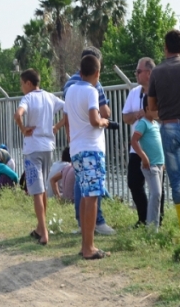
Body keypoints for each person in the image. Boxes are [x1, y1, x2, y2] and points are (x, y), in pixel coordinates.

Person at [147, 29, 180, 238]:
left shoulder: (157, 72)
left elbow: (152, 107)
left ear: (165, 47)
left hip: (169, 127)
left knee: (178, 182)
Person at [64, 53, 113, 260]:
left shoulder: (70, 90)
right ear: (97, 72)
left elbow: (67, 119)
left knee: (85, 196)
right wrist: (104, 122)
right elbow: (94, 119)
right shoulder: (92, 91)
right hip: (91, 149)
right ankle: (89, 247)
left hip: (76, 149)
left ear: (80, 71)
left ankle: (86, 243)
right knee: (93, 197)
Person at [15, 68, 66, 246]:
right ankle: (40, 227)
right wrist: (57, 126)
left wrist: (23, 128)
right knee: (42, 188)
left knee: (36, 190)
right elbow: (67, 110)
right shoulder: (50, 97)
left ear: (28, 83)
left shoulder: (27, 98)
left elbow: (18, 114)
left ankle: (44, 233)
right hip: (48, 147)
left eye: (22, 84)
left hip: (33, 148)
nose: (22, 87)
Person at [122, 57, 158, 227]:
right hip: (136, 146)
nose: (136, 74)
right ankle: (143, 218)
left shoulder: (160, 90)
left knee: (157, 186)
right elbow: (125, 117)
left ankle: (158, 220)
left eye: (138, 71)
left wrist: (149, 114)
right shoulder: (134, 92)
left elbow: (162, 115)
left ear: (149, 73)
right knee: (134, 182)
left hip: (155, 146)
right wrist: (137, 114)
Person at [131, 108, 164, 230]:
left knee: (157, 195)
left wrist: (163, 161)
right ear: (147, 109)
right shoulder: (143, 123)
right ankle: (151, 227)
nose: (157, 111)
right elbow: (134, 141)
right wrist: (143, 156)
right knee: (156, 194)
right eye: (154, 108)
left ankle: (153, 226)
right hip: (150, 165)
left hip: (159, 164)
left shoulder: (155, 124)